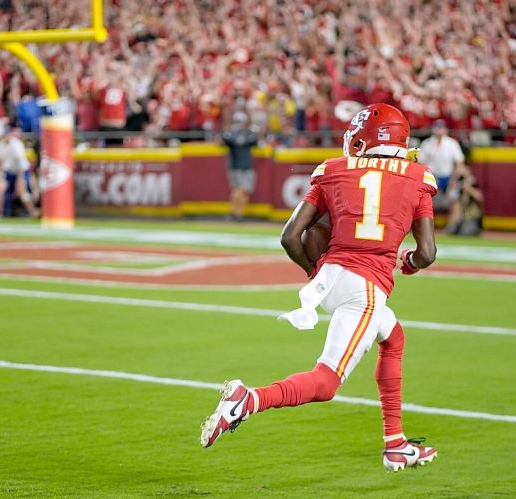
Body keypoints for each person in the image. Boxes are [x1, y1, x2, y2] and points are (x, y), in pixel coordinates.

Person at [200, 103, 439, 472]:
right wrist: (408, 263)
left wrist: (320, 275)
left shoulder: (332, 170)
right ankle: (247, 400)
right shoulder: (418, 176)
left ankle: (395, 443)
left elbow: (291, 237)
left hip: (331, 278)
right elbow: (427, 252)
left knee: (394, 338)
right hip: (366, 287)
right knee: (326, 382)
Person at [418, 119, 469, 234]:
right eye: (437, 128)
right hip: (431, 177)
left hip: (448, 177)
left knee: (455, 199)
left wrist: (454, 180)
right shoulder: (427, 143)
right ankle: (425, 227)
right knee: (424, 201)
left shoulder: (451, 143)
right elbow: (421, 163)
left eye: (441, 128)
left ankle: (452, 227)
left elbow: (459, 163)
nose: (439, 131)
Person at [221, 112, 258, 220]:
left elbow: (253, 139)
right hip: (237, 166)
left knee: (243, 191)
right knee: (239, 189)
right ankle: (236, 213)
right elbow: (226, 140)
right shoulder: (231, 134)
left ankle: (238, 213)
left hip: (245, 165)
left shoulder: (248, 133)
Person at [0, 127, 39, 217]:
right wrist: (1, 176)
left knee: (22, 191)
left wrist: (19, 180)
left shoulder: (16, 145)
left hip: (21, 172)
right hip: (9, 173)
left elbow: (21, 165)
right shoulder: (0, 145)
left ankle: (32, 211)